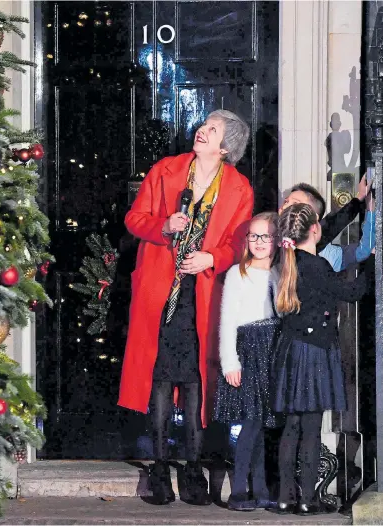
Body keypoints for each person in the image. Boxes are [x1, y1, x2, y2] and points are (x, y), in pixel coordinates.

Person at [118, 109, 253, 505]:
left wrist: (212, 258)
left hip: (202, 296)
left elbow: (238, 243)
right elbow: (134, 218)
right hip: (161, 292)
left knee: (194, 382)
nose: (201, 130)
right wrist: (163, 226)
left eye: (212, 130)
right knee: (160, 380)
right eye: (204, 125)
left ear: (225, 148)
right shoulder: (166, 170)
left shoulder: (239, 189)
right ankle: (160, 468)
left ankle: (191, 467)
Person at [269, 203, 373, 516]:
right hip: (313, 352)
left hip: (291, 350)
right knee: (311, 429)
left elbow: (324, 227)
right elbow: (353, 291)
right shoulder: (317, 267)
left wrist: (355, 204)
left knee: (291, 427)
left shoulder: (289, 259)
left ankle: (286, 497)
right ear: (314, 230)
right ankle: (308, 499)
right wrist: (373, 264)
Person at [213, 212, 281, 511]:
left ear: (277, 240)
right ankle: (238, 490)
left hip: (273, 351)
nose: (259, 242)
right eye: (254, 236)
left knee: (262, 423)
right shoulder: (236, 274)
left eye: (266, 236)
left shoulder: (280, 274)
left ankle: (261, 487)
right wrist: (230, 361)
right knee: (251, 422)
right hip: (248, 350)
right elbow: (226, 320)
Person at [278, 176, 373, 270]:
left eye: (295, 204)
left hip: (339, 258)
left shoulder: (313, 235)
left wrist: (360, 197)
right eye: (286, 201)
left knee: (365, 250)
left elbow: (338, 220)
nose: (286, 205)